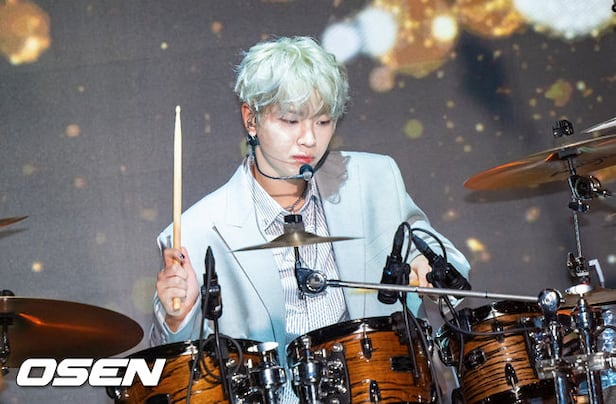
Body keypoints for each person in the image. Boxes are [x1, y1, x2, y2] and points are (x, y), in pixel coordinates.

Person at [150, 35, 471, 402]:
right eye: (290, 120)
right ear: (251, 119)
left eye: (323, 121)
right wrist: (176, 317)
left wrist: (427, 268)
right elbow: (172, 371)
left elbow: (443, 258)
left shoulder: (375, 179)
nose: (309, 139)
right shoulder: (197, 231)